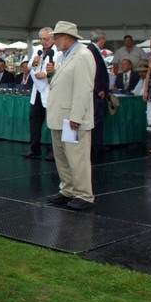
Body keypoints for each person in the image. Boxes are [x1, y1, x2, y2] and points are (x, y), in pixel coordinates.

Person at [43, 21, 96, 210]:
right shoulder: (62, 57)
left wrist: (76, 117)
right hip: (59, 116)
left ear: (66, 38)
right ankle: (68, 189)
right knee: (62, 157)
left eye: (56, 38)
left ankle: (84, 194)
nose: (54, 42)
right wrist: (51, 76)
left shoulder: (83, 55)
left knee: (77, 157)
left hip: (71, 118)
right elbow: (61, 84)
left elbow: (84, 89)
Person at [23, 27, 55, 160]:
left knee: (53, 122)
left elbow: (58, 70)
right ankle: (34, 148)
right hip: (37, 90)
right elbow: (29, 66)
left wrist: (47, 74)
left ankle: (54, 150)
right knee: (34, 121)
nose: (42, 41)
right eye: (40, 39)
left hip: (50, 91)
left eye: (45, 39)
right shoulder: (37, 50)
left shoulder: (57, 52)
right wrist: (35, 62)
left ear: (52, 38)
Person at [87, 29, 109, 154]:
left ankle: (97, 144)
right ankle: (96, 145)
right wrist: (99, 89)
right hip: (97, 92)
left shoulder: (93, 50)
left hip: (98, 91)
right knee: (97, 118)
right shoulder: (92, 51)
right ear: (101, 39)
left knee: (98, 118)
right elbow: (93, 72)